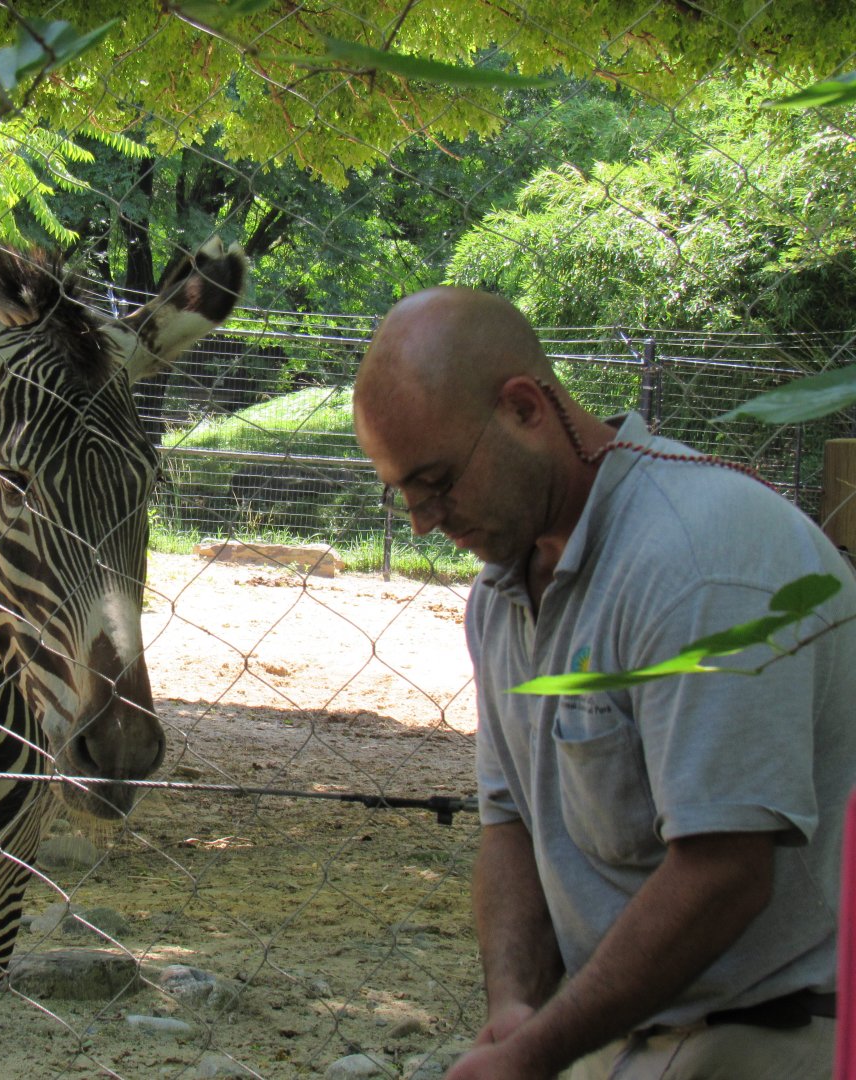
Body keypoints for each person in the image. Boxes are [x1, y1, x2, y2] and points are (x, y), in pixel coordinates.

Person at [351, 286, 856, 1080]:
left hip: (779, 1032)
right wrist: (514, 1010)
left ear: (525, 407)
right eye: (404, 494)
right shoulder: (501, 597)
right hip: (623, 1030)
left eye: (438, 481)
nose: (423, 521)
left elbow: (725, 874)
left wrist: (539, 1051)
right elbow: (510, 821)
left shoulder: (698, 560)